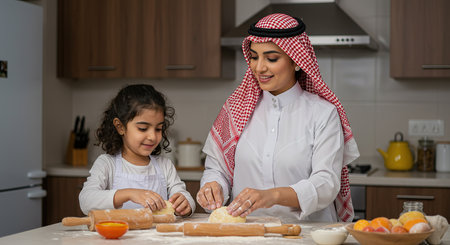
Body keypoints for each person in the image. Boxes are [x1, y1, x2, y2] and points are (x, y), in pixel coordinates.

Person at [196, 13, 360, 223]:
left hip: (306, 234)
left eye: (271, 58)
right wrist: (213, 185)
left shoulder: (323, 113)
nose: (259, 67)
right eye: (254, 57)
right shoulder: (236, 109)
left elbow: (326, 182)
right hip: (246, 233)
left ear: (297, 62)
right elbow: (217, 168)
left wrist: (272, 195)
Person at [79, 84, 194, 216]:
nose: (152, 137)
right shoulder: (107, 164)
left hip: (158, 236)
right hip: (119, 236)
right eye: (143, 128)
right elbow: (86, 201)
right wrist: (128, 194)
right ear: (120, 127)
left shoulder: (165, 166)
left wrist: (186, 203)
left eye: (158, 129)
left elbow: (184, 196)